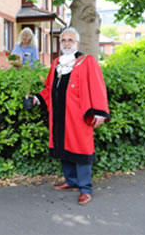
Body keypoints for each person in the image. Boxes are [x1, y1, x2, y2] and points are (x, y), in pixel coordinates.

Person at [32, 27, 110, 205]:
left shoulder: (86, 61)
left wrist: (99, 111)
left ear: (77, 43)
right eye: (63, 40)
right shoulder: (56, 63)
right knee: (63, 146)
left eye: (70, 40)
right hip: (59, 114)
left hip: (78, 116)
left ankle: (85, 189)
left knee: (81, 148)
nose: (66, 43)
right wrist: (37, 98)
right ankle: (71, 182)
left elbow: (97, 86)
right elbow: (49, 88)